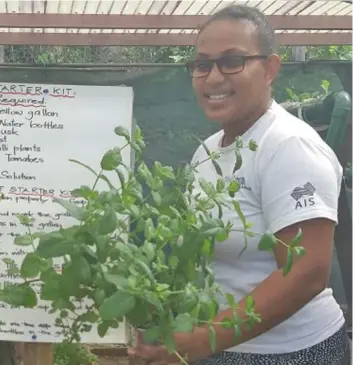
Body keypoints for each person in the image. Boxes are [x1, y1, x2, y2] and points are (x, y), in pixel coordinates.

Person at [128, 5, 350, 365]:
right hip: (225, 343)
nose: (214, 77)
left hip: (291, 353)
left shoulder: (288, 146)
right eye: (202, 64)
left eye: (232, 61)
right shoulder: (209, 150)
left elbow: (306, 272)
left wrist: (202, 340)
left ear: (270, 69)